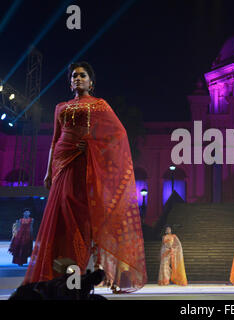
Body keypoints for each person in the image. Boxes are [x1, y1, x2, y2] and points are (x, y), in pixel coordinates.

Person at [23, 61, 147, 293]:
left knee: (78, 217)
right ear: (70, 83)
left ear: (91, 81)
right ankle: (56, 280)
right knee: (58, 218)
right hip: (61, 166)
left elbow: (118, 134)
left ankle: (78, 276)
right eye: (73, 76)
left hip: (82, 165)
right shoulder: (60, 107)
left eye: (82, 75)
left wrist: (90, 145)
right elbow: (54, 139)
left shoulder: (99, 105)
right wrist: (48, 171)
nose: (77, 79)